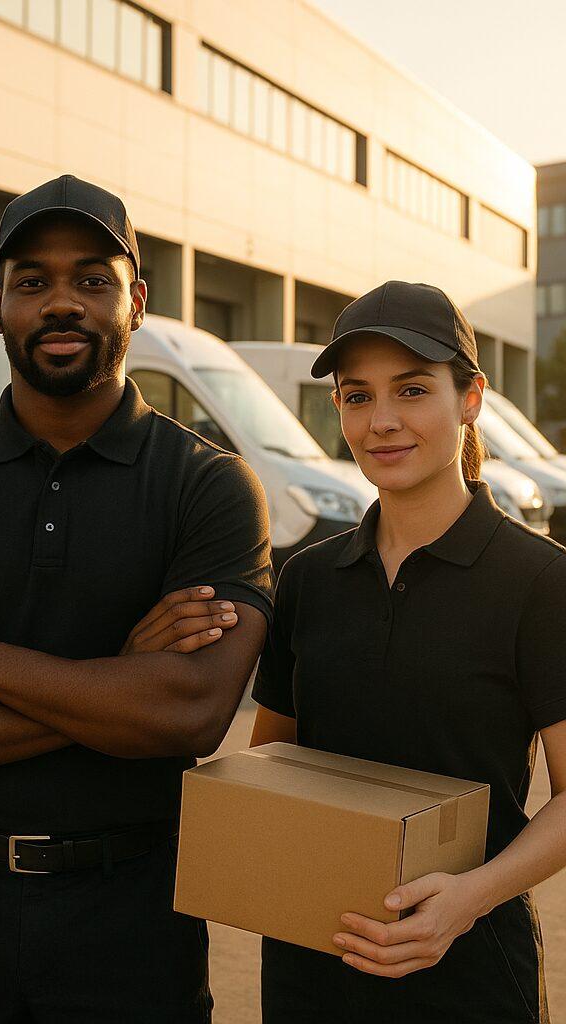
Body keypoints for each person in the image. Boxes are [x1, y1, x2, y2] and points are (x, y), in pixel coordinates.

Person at [0, 174, 273, 1023]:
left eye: (92, 279)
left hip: (136, 915)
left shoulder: (211, 488)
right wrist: (117, 682)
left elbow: (189, 713)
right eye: (32, 281)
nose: (62, 302)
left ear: (136, 300)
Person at [251, 280, 566, 1024]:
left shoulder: (542, 581)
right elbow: (272, 767)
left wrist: (468, 899)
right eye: (356, 397)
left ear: (471, 398)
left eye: (413, 390)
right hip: (312, 964)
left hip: (471, 972)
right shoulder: (310, 580)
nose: (382, 422)